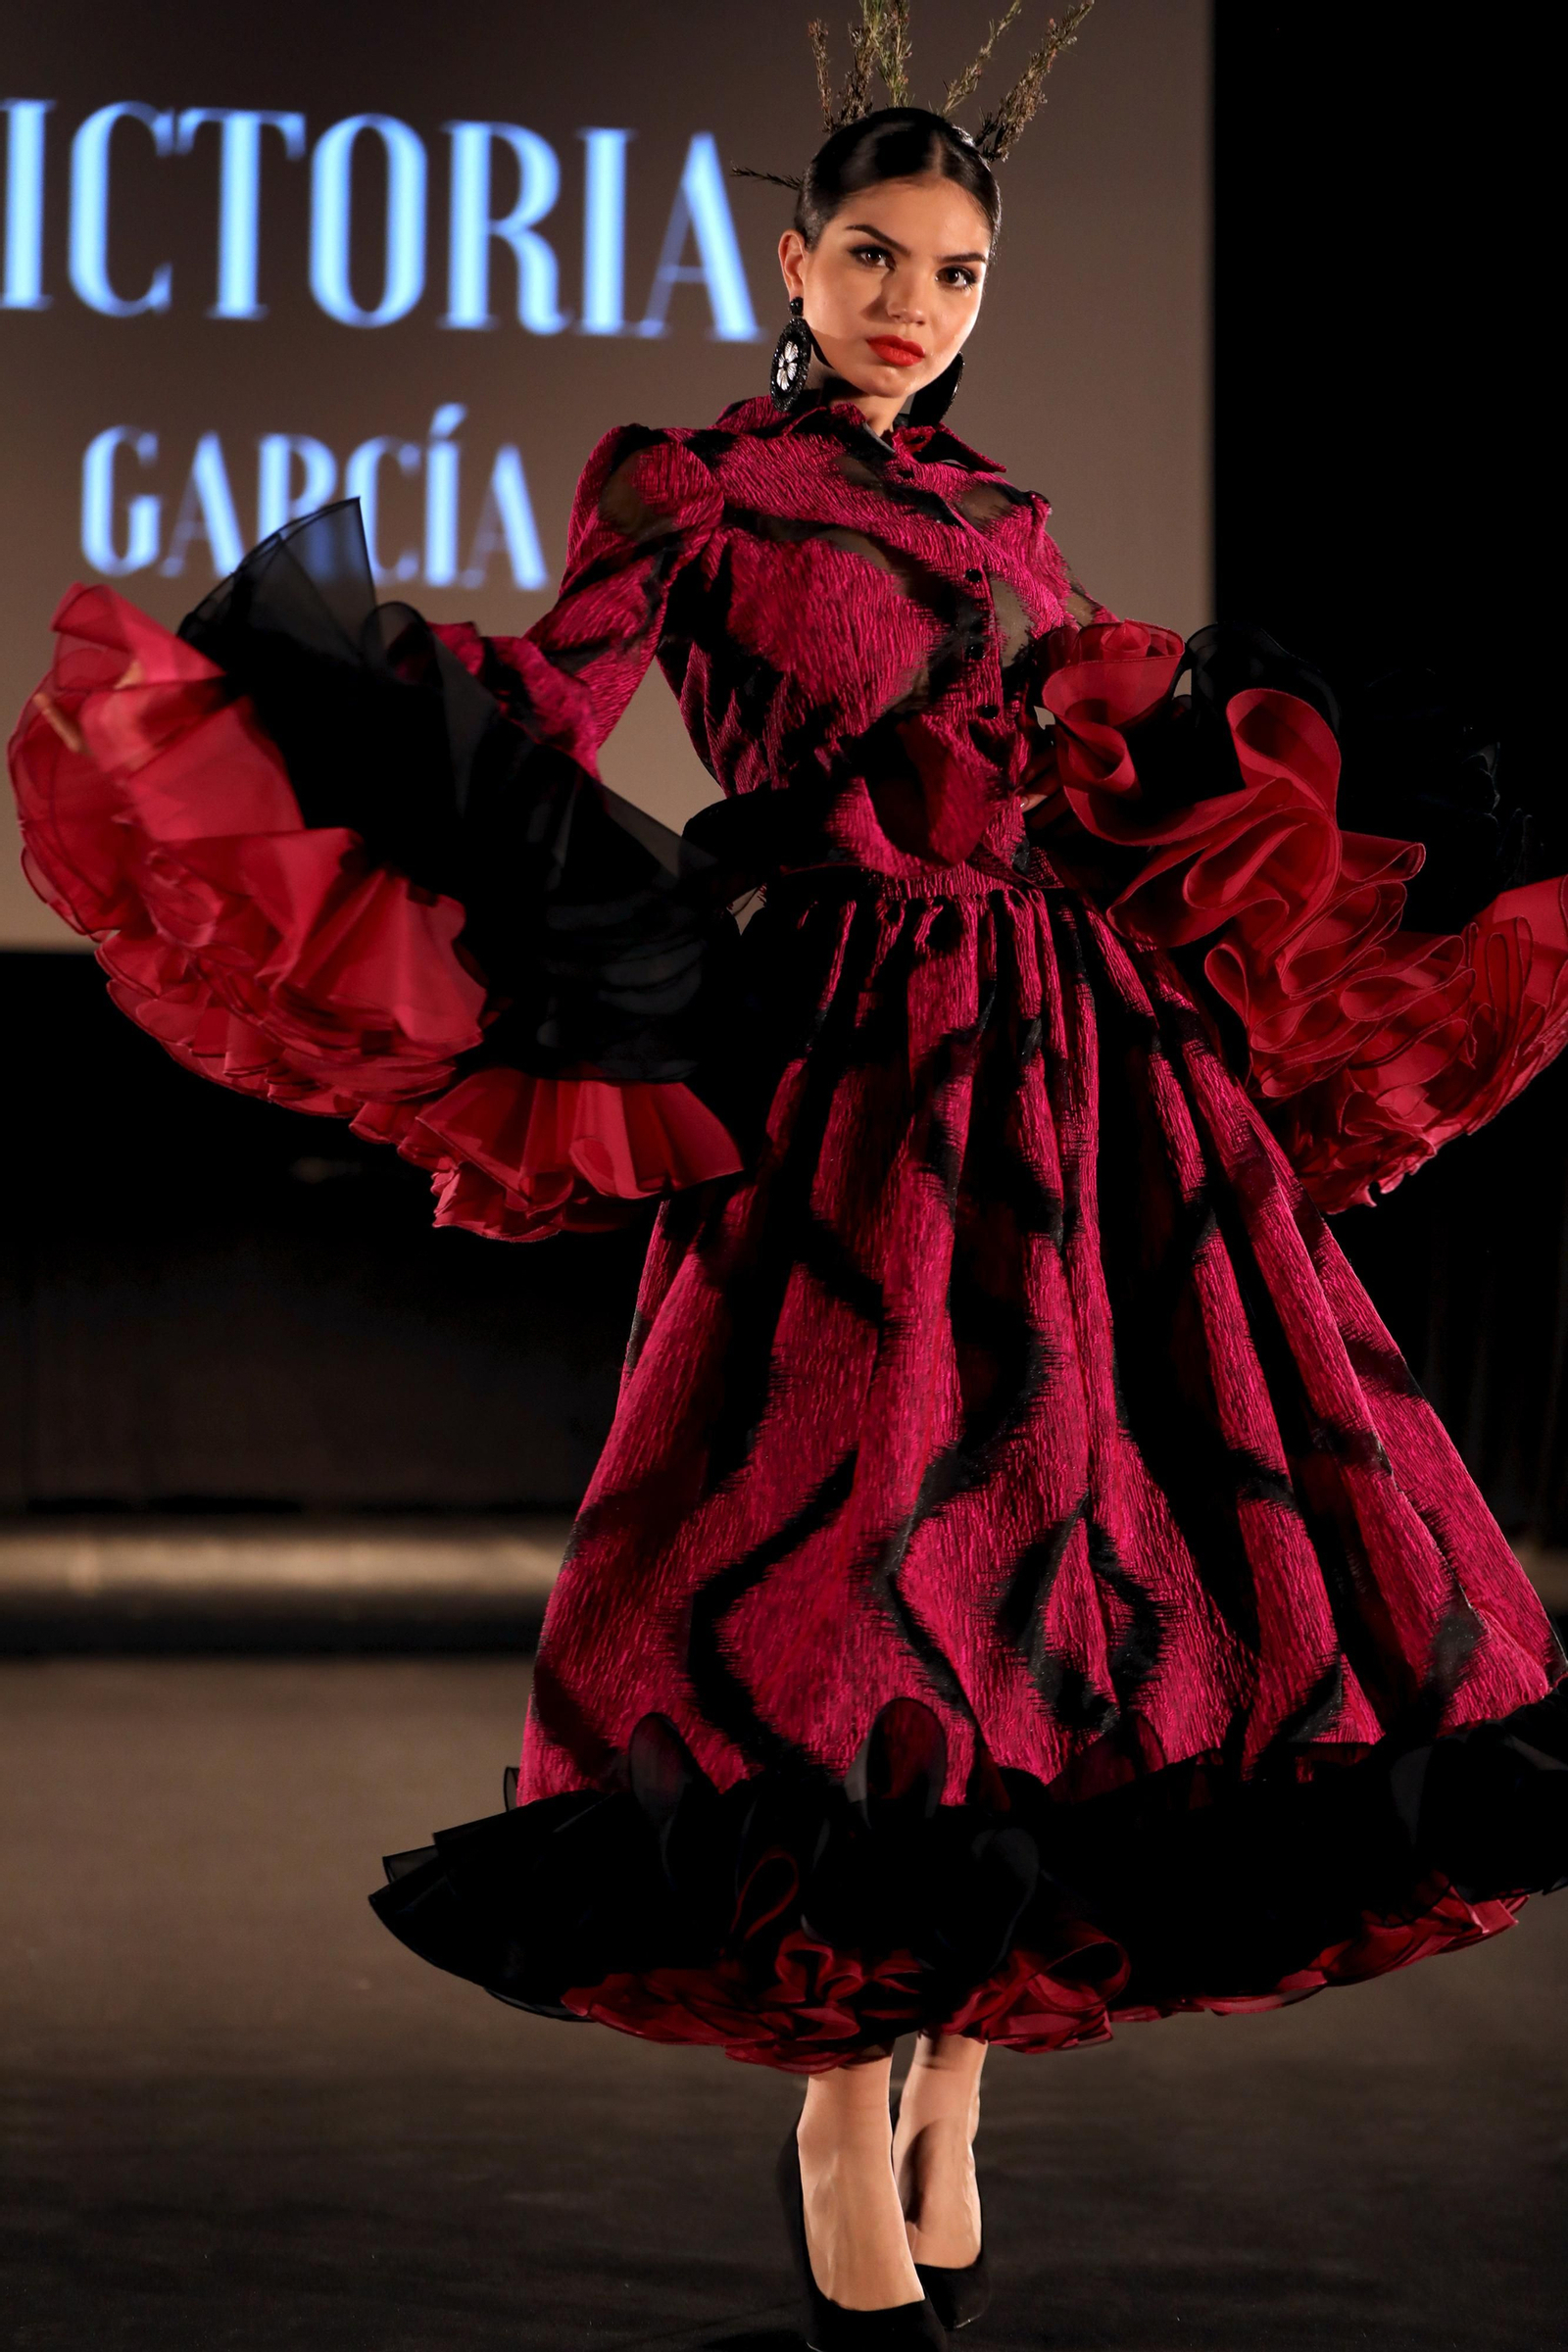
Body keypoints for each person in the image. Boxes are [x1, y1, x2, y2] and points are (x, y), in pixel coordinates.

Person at [11, 17, 1568, 2348]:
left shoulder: (1005, 517)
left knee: (1084, 1547)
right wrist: (339, 716)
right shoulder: (696, 488)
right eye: (872, 252)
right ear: (791, 255)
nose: (912, 301)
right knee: (851, 1552)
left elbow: (1056, 782)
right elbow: (545, 715)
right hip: (850, 1049)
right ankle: (844, 2083)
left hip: (1068, 1059)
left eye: (952, 267)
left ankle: (953, 2060)